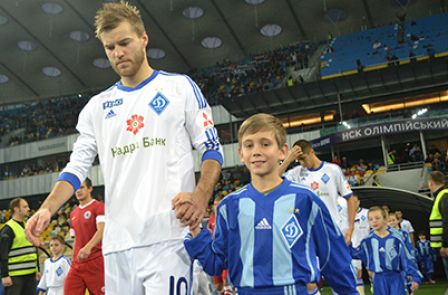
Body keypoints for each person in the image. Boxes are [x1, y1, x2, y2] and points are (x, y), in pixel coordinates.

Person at [25, 2, 223, 294]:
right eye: (109, 47)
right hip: (117, 246)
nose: (117, 53)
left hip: (168, 238)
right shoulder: (97, 107)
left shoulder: (180, 88)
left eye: (124, 42)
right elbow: (76, 167)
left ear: (144, 39)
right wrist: (47, 208)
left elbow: (212, 149)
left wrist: (201, 196)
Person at [180, 113, 357, 294]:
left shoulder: (306, 200)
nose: (256, 151)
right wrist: (195, 229)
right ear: (241, 154)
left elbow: (334, 260)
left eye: (265, 144)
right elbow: (215, 264)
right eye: (249, 145)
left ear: (282, 151)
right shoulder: (229, 207)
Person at [278, 139, 357, 245]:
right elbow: (272, 179)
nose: (302, 163)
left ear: (312, 152)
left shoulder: (333, 170)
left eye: (303, 159)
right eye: (298, 160)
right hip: (309, 231)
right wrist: (287, 160)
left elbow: (350, 198)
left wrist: (350, 227)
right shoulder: (296, 173)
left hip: (333, 228)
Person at [351, 206, 420, 295]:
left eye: (377, 218)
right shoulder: (367, 241)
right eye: (370, 219)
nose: (374, 221)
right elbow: (356, 253)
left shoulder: (397, 238)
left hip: (396, 277)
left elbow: (408, 257)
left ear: (385, 219)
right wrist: (345, 244)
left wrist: (415, 277)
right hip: (378, 279)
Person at [65, 178, 105, 295]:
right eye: (76, 188)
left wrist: (88, 247)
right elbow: (76, 238)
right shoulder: (73, 213)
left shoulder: (99, 206)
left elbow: (102, 230)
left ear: (90, 189)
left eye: (82, 187)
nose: (78, 191)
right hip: (77, 264)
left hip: (95, 261)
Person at [0, 198, 39, 295]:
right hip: (15, 276)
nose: (28, 209)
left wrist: (37, 269)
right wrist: (4, 275)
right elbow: (2, 253)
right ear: (16, 209)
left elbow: (34, 249)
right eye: (25, 207)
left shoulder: (28, 226)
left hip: (30, 274)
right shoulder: (8, 229)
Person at [428, 171, 448, 279]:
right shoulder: (442, 195)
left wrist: (445, 245)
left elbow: (447, 221)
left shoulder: (443, 196)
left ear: (431, 183)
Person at [350, 197, 370, 295]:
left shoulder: (367, 213)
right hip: (354, 247)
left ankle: (376, 289)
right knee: (357, 273)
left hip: (367, 246)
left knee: (372, 271)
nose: (353, 203)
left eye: (355, 201)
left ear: (359, 202)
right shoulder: (347, 214)